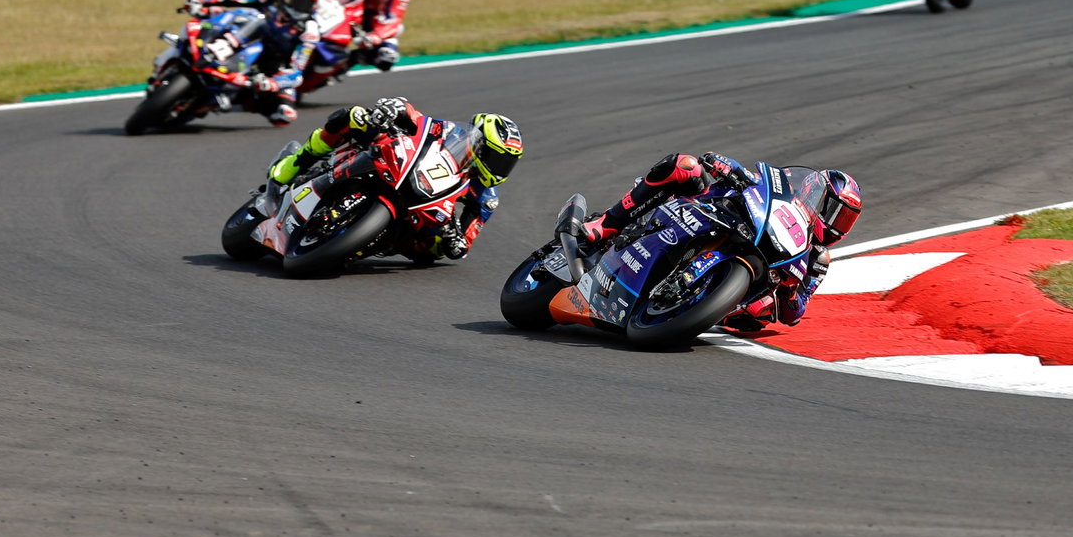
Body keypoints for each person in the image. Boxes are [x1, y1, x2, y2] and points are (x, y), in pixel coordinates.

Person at [581, 152, 862, 331]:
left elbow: (795, 314)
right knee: (685, 166)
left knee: (759, 311)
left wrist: (789, 292)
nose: (837, 224)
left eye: (846, 219)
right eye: (835, 212)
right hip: (711, 215)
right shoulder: (783, 195)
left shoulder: (817, 261)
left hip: (736, 293)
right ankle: (607, 223)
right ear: (814, 193)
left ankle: (691, 304)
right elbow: (749, 178)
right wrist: (725, 165)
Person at [268, 100, 522, 260]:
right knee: (353, 116)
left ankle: (365, 239)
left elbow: (467, 237)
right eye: (496, 157)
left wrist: (457, 241)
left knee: (433, 250)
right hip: (402, 168)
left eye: (506, 162)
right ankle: (291, 166)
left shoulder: (487, 197)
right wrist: (394, 109)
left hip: (426, 213)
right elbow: (417, 118)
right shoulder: (449, 132)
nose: (499, 167)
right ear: (479, 143)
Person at [183, 0, 329, 125]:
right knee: (214, 12)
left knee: (284, 115)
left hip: (272, 64)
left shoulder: (310, 31)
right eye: (297, 0)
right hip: (241, 34)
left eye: (306, 3)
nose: (300, 7)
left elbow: (296, 72)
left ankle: (225, 102)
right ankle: (187, 48)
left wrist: (274, 83)